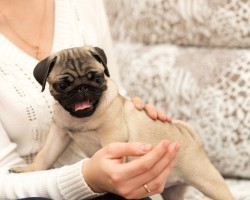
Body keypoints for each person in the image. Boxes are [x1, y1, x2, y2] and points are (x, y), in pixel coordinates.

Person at [0, 0, 179, 199]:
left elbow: (113, 86)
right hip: (33, 192)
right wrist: (87, 178)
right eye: (63, 85)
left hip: (116, 182)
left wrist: (134, 113)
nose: (82, 91)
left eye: (93, 79)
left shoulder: (85, 3)